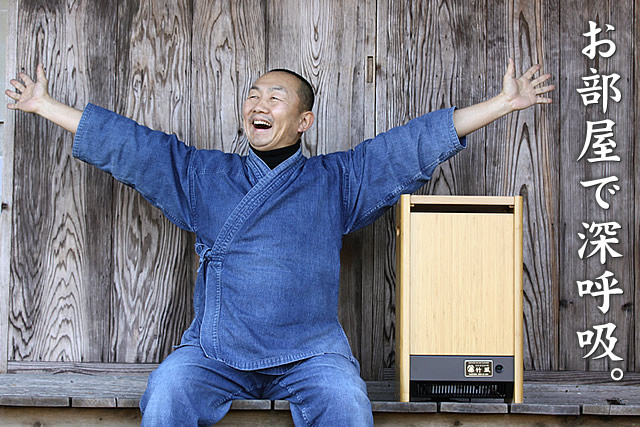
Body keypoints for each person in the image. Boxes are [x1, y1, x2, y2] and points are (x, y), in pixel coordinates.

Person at [6, 58, 553, 426]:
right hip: (216, 348)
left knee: (347, 401)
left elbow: (407, 147)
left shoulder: (339, 180)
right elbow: (133, 147)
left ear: (303, 120)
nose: (258, 104)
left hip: (311, 351)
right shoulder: (204, 175)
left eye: (275, 96)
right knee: (168, 391)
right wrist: (45, 105)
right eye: (252, 96)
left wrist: (502, 105)